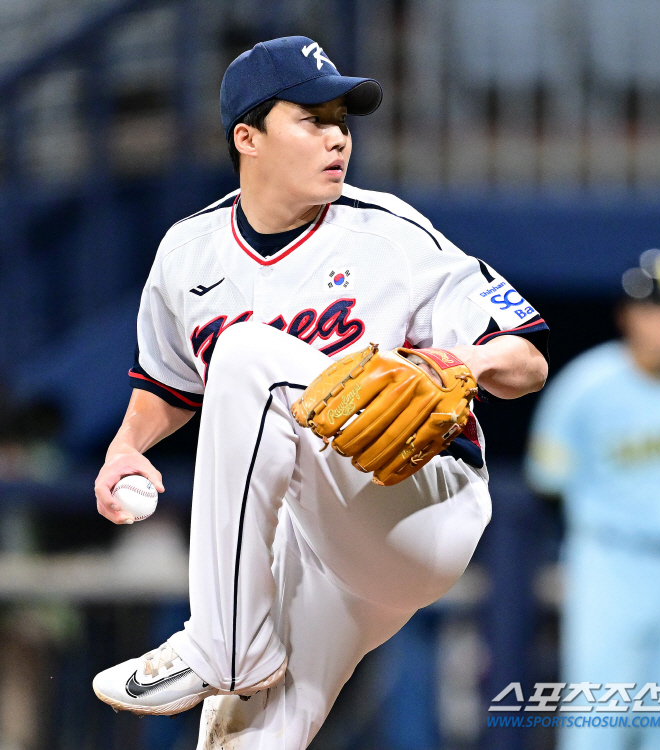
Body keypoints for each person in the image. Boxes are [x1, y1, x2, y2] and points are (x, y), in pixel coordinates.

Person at [91, 36, 549, 748]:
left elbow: (526, 356)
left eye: (342, 119)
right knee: (242, 737)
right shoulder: (188, 254)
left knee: (248, 354)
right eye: (312, 119)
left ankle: (223, 647)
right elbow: (170, 383)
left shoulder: (391, 232)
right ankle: (234, 650)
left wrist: (455, 362)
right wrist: (127, 446)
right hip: (314, 549)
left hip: (417, 505)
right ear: (247, 137)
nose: (338, 137)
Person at [526, 250, 660, 750]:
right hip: (611, 560)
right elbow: (546, 480)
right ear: (628, 316)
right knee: (599, 716)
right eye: (655, 310)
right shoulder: (586, 386)